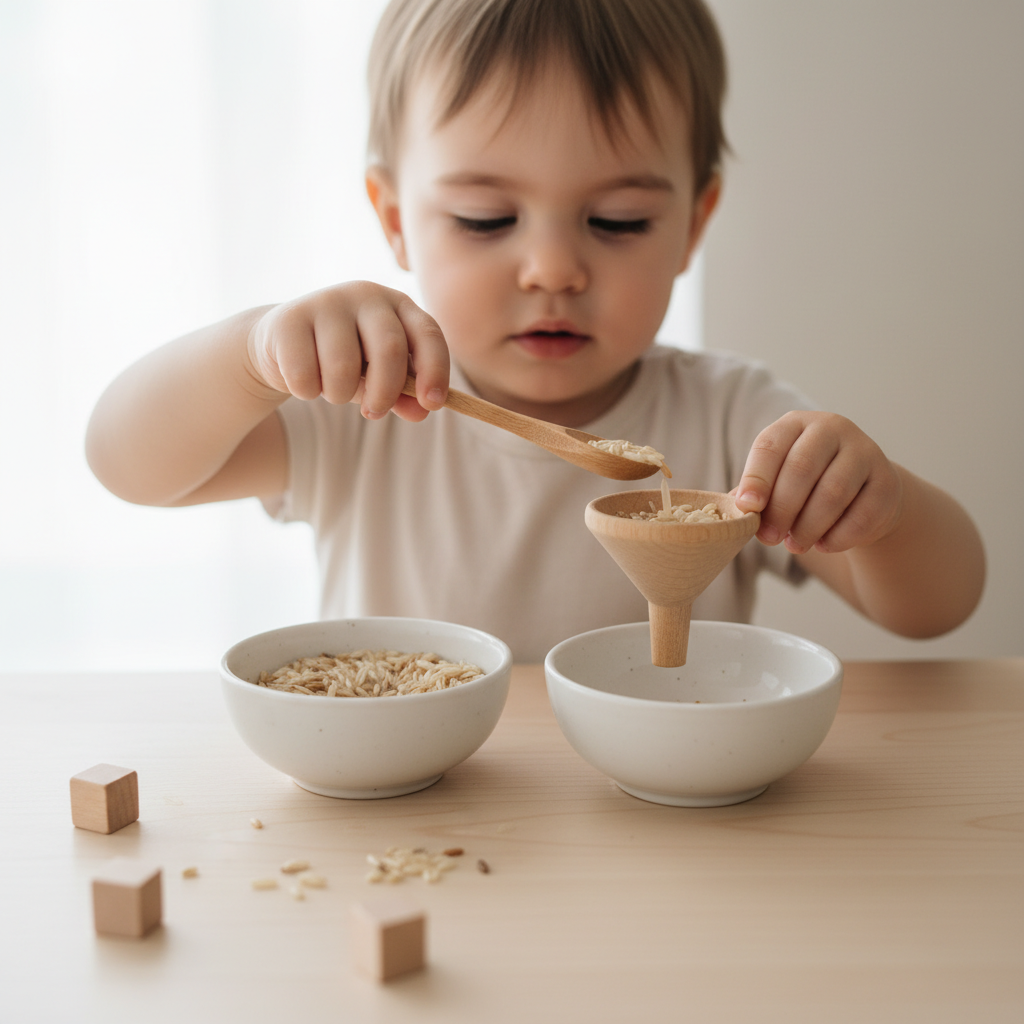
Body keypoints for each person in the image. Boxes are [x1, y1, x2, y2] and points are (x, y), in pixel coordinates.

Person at [86, 0, 984, 662]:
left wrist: (883, 509)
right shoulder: (357, 401)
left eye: (620, 221)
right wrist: (252, 355)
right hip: (419, 814)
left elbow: (937, 607)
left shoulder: (730, 419)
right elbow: (126, 466)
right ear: (394, 219)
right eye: (484, 219)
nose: (552, 269)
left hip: (669, 823)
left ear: (693, 227)